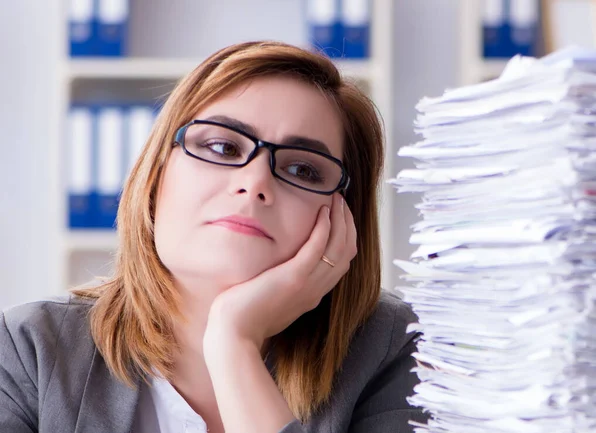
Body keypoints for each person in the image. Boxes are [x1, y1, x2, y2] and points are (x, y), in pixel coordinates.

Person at [0, 40, 426, 433]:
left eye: (303, 169)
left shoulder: (393, 350)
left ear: (342, 216)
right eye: (222, 147)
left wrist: (233, 343)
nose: (255, 182)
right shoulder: (27, 349)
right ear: (155, 174)